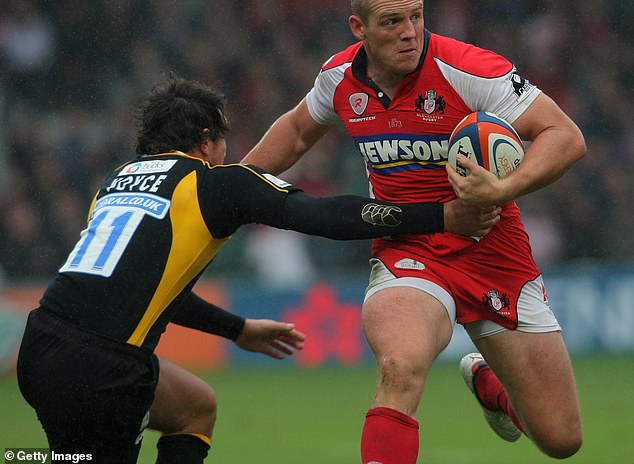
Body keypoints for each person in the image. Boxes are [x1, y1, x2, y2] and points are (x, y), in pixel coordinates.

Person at [17, 75, 499, 464]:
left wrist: (238, 328)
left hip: (40, 348)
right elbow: (324, 216)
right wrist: (441, 215)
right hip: (104, 369)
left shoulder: (114, 183)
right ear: (207, 142)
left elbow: (147, 290)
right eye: (224, 140)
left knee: (194, 408)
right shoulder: (215, 183)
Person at [242, 0, 587, 463]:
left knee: (562, 440)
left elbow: (566, 136)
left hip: (493, 251)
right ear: (358, 28)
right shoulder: (339, 78)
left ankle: (490, 387)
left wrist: (503, 186)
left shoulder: (468, 69)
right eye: (391, 22)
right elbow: (297, 132)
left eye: (416, 17)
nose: (409, 34)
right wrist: (230, 187)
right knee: (400, 368)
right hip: (409, 250)